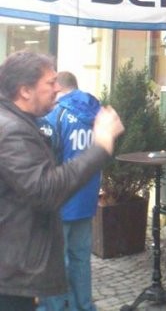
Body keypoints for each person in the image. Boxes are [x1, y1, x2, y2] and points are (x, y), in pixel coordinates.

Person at [0, 52, 125, 311]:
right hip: (11, 278)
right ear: (25, 90)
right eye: (50, 82)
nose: (58, 88)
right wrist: (101, 146)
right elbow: (45, 190)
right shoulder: (12, 131)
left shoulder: (19, 122)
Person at [37, 72, 102, 311]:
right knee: (81, 258)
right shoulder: (97, 113)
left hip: (61, 201)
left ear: (59, 89)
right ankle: (83, 305)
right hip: (87, 198)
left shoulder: (56, 115)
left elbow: (47, 160)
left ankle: (56, 307)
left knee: (56, 261)